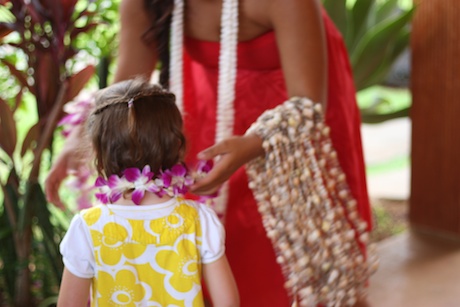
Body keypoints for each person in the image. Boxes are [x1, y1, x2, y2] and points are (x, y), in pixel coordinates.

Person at [47, 0, 373, 305]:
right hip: (208, 111)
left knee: (286, 254)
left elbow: (309, 103)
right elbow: (127, 83)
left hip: (291, 122)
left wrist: (256, 142)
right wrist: (79, 140)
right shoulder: (144, 2)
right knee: (210, 246)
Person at [56, 79, 239, 307]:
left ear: (96, 152)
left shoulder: (87, 227)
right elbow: (228, 303)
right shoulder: (199, 220)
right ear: (178, 147)